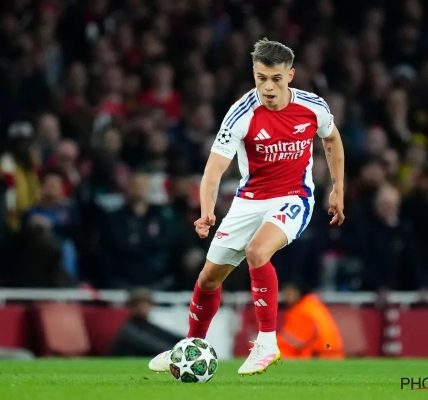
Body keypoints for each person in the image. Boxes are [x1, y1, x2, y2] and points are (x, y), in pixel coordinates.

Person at [148, 38, 345, 376]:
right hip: (248, 201)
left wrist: (338, 188)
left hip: (294, 197)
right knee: (208, 279)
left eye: (276, 79)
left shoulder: (314, 107)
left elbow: (332, 139)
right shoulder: (241, 113)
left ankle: (266, 343)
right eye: (260, 78)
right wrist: (207, 209)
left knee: (257, 251)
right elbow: (214, 169)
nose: (267, 87)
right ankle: (190, 345)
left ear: (290, 76)